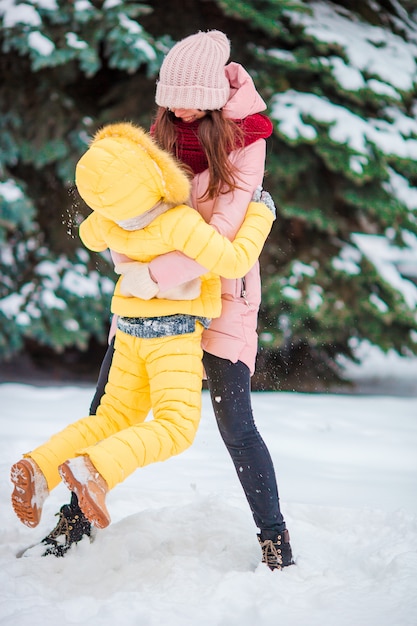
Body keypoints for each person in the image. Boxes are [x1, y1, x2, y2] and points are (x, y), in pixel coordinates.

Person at [18, 29, 294, 571]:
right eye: (167, 101)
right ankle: (70, 524)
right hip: (147, 302)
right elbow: (125, 218)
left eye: (187, 102)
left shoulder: (247, 142)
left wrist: (148, 273)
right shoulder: (162, 129)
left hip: (219, 297)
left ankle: (274, 540)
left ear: (214, 97)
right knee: (106, 410)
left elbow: (223, 240)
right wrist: (133, 263)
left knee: (235, 425)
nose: (175, 112)